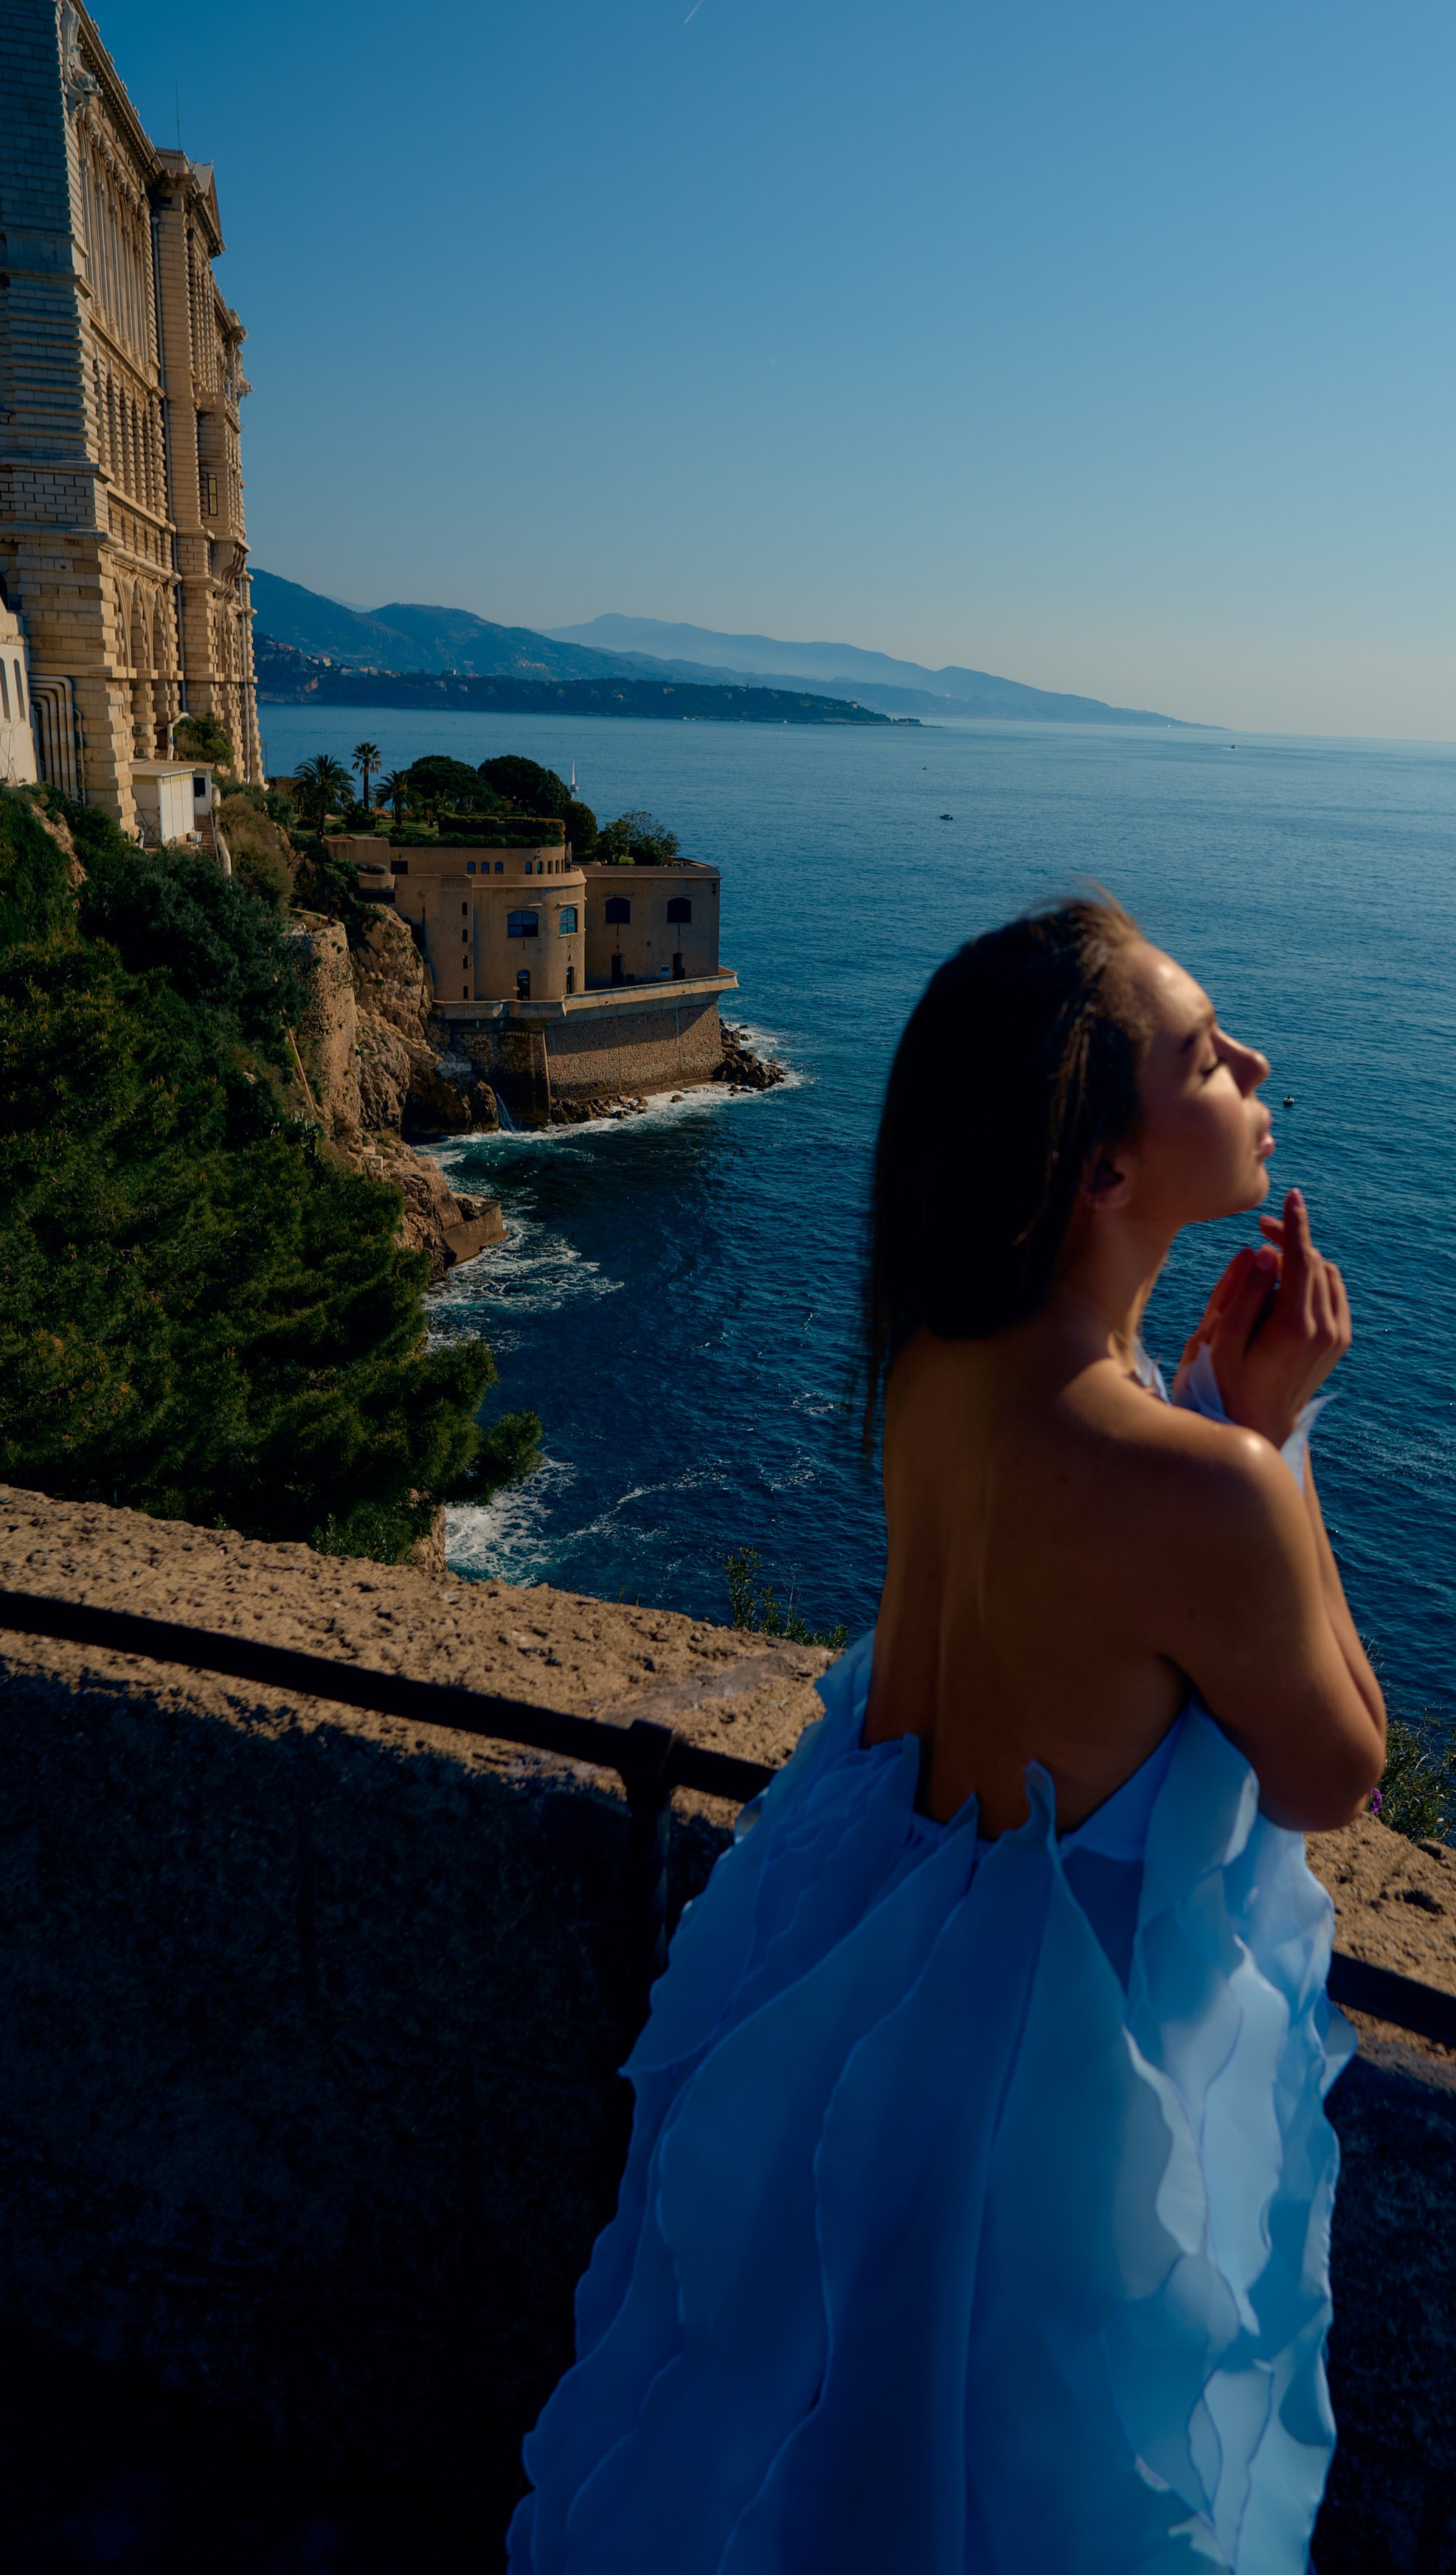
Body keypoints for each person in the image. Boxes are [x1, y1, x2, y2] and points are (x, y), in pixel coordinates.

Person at [510, 896, 1384, 2575]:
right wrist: (1269, 1440)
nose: (1252, 1063)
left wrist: (1215, 1425)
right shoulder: (1193, 1485)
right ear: (1105, 1176)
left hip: (853, 1991)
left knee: (817, 2465)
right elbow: (1331, 1770)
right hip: (1048, 2096)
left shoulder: (932, 1362)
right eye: (1202, 1055)